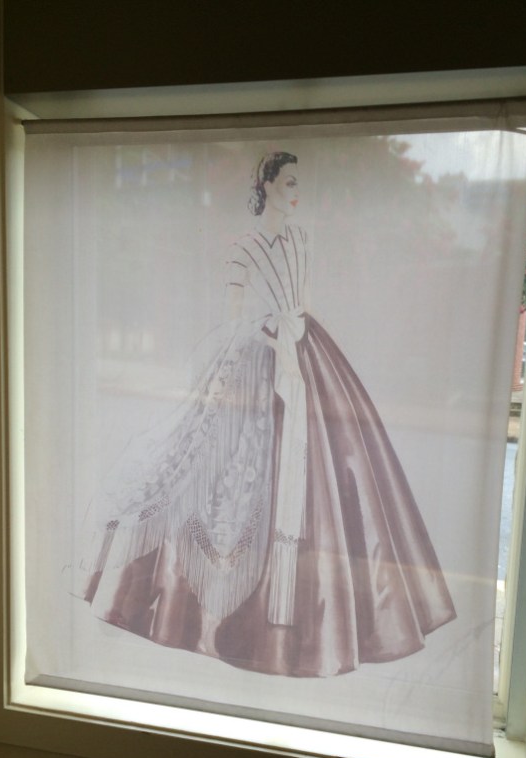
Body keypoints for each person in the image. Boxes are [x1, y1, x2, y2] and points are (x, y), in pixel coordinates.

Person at [85, 150, 455, 677]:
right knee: (216, 471)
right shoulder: (244, 248)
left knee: (338, 465)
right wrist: (271, 343)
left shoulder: (301, 239)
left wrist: (295, 343)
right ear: (267, 185)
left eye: (299, 183)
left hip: (307, 352)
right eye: (288, 182)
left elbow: (303, 302)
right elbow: (234, 319)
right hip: (258, 356)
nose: (295, 192)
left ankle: (338, 625)